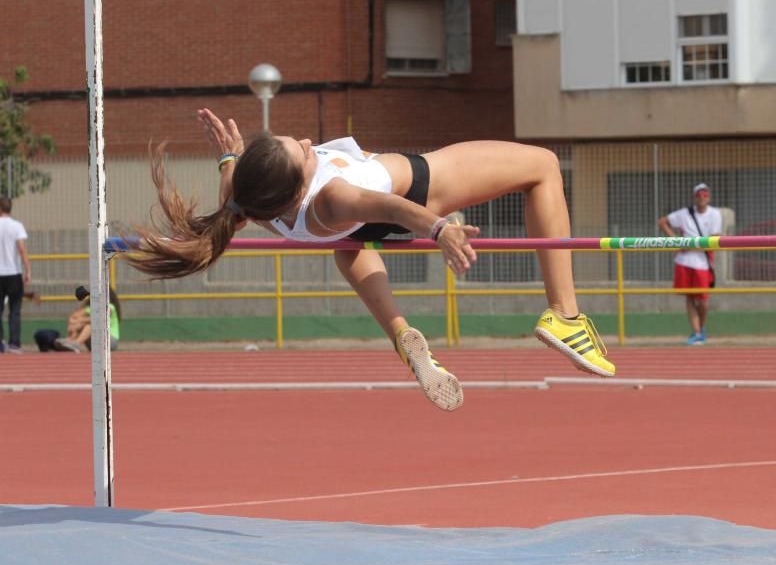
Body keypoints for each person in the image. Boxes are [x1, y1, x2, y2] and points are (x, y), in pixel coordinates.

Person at [126, 108, 615, 411]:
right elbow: (387, 207)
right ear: (299, 184)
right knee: (543, 166)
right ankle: (565, 315)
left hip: (354, 234)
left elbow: (236, 187)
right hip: (425, 187)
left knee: (347, 249)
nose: (303, 142)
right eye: (301, 151)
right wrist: (439, 227)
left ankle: (402, 334)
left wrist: (230, 157)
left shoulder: (250, 203)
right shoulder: (334, 196)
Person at [658, 183, 723, 346]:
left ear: (709, 197)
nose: (702, 197)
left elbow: (713, 241)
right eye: (699, 195)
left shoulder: (715, 214)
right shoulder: (684, 213)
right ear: (694, 197)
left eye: (705, 194)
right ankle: (696, 332)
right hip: (684, 262)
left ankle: (701, 329)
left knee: (703, 300)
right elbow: (662, 222)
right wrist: (676, 241)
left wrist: (688, 246)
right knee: (689, 297)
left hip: (703, 263)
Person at [0, 196, 31, 353]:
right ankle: (14, 343)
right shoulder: (16, 226)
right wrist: (28, 270)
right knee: (15, 310)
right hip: (13, 273)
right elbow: (21, 249)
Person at [52, 289, 122, 353]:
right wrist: (76, 323)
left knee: (90, 326)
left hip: (110, 341)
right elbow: (73, 317)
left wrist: (79, 321)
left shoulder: (110, 307)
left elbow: (99, 318)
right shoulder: (92, 307)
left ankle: (76, 344)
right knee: (80, 325)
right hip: (94, 342)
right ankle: (70, 340)